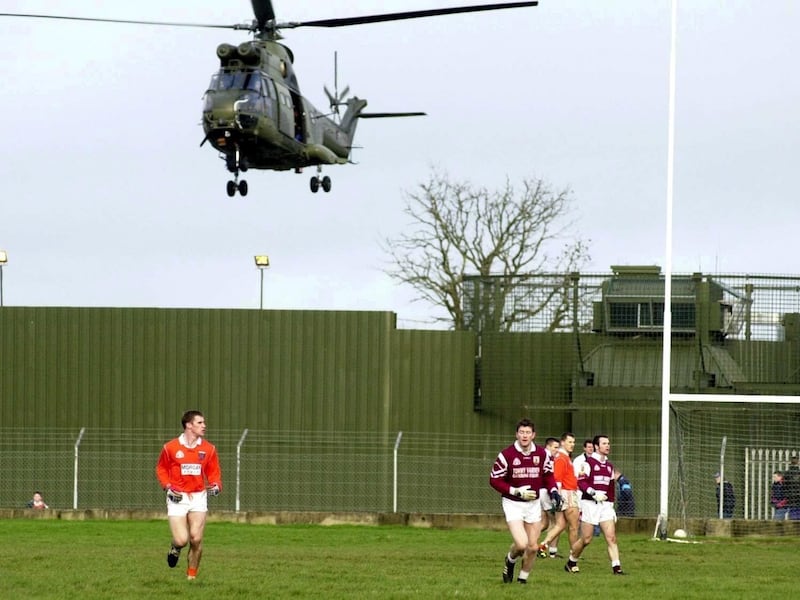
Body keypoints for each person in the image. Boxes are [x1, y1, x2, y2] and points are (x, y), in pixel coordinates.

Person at [490, 418, 562, 585]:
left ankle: (522, 581)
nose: (524, 435)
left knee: (533, 547)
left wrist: (553, 491)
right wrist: (515, 491)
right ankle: (510, 560)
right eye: (521, 432)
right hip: (513, 503)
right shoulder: (506, 455)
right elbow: (494, 480)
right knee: (522, 545)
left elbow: (548, 475)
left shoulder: (542, 454)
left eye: (528, 432)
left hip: (533, 504)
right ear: (516, 434)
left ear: (533, 435)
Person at [156, 410, 222, 580]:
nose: (204, 426)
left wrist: (216, 485)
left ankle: (191, 576)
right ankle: (175, 548)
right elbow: (161, 469)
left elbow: (213, 472)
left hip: (199, 496)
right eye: (200, 423)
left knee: (196, 538)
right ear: (188, 425)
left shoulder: (209, 449)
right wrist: (168, 487)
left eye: (203, 422)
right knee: (181, 540)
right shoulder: (170, 447)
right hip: (177, 497)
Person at [565, 434, 625, 575]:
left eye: (608, 443)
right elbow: (581, 482)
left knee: (611, 537)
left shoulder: (609, 466)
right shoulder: (588, 463)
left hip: (605, 505)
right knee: (586, 539)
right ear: (597, 446)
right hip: (590, 503)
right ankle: (571, 561)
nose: (607, 446)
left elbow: (610, 488)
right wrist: (593, 493)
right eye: (604, 443)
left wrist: (611, 505)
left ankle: (617, 568)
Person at [538, 432, 581, 560]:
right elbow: (557, 479)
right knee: (574, 526)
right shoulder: (562, 458)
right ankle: (574, 556)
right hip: (567, 494)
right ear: (562, 442)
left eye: (573, 442)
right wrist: (557, 496)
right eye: (569, 442)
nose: (572, 444)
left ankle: (543, 545)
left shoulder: (563, 457)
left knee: (560, 525)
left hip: (564, 494)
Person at [784, 454, 800, 520]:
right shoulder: (799, 472)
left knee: (792, 510)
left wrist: (786, 494)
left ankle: (793, 521)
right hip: (798, 495)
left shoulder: (787, 473)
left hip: (790, 495)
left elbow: (785, 485)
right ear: (798, 462)